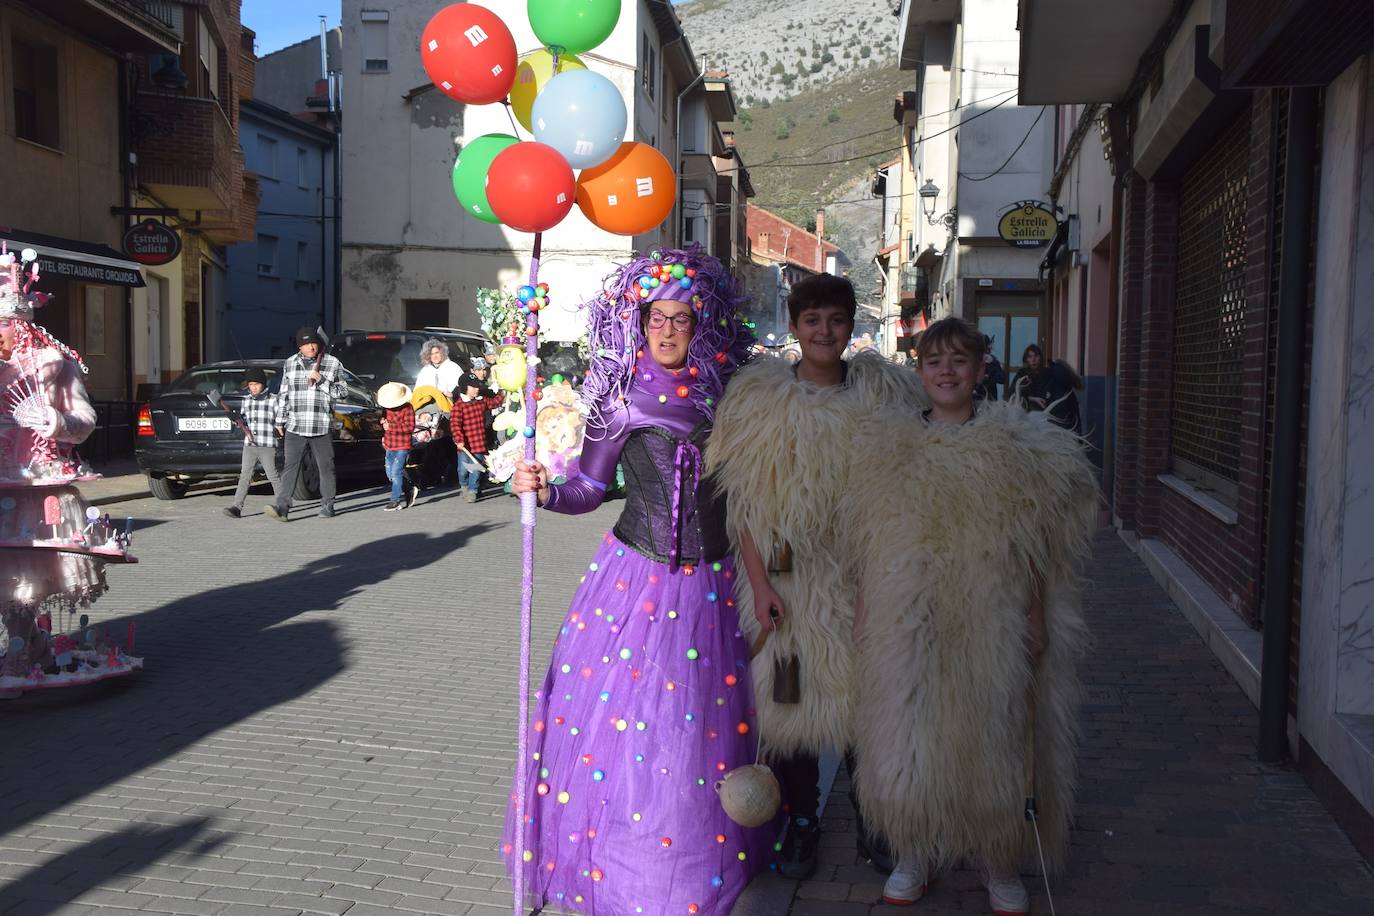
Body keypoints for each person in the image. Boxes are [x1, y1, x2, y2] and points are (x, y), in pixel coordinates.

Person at [503, 246, 769, 915]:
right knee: (631, 732)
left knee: (695, 732)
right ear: (639, 319)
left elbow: (746, 499)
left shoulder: (726, 395)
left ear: (700, 322)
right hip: (635, 582)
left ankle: (690, 856)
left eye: (682, 318)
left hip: (711, 586)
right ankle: (626, 866)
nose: (669, 329)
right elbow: (591, 488)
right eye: (658, 317)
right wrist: (542, 488)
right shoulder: (620, 399)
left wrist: (762, 581)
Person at [842, 317, 1096, 912]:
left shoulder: (1014, 448)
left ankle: (998, 859)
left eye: (960, 360)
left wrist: (1033, 613)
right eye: (935, 362)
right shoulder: (889, 447)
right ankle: (914, 849)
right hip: (909, 615)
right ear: (920, 371)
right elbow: (868, 543)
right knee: (911, 730)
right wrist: (863, 611)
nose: (947, 371)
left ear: (982, 370)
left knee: (996, 727)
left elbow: (1033, 542)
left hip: (991, 612)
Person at [705, 273, 926, 880]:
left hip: (861, 580)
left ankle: (872, 820)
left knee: (865, 705)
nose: (824, 331)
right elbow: (742, 506)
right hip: (786, 585)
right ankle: (800, 822)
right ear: (797, 328)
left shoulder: (885, 401)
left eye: (835, 320)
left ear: (850, 326)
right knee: (790, 706)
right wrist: (761, 586)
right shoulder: (762, 403)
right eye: (812, 321)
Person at [1, 245, 136, 692]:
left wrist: (54, 421)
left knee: (26, 574)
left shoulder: (52, 366)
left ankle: (27, 649)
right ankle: (29, 645)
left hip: (38, 486)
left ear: (20, 325)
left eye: (2, 328)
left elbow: (86, 420)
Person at [266, 327, 347, 521]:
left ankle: (328, 504)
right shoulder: (290, 363)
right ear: (299, 347)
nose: (310, 347)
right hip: (296, 424)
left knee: (325, 467)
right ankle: (282, 506)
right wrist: (280, 421)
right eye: (305, 344)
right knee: (290, 466)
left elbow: (343, 393)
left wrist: (322, 381)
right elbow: (284, 394)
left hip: (321, 424)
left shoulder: (332, 362)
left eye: (313, 343)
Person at [223, 368, 282, 518]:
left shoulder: (274, 400)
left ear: (263, 384)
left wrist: (279, 429)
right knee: (245, 476)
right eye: (251, 384)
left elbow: (282, 420)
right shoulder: (246, 400)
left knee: (272, 475)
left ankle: (282, 505)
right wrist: (235, 418)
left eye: (257, 384)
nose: (254, 387)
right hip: (249, 445)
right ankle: (236, 507)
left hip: (267, 444)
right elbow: (243, 422)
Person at [448, 373, 503, 503]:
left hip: (478, 442)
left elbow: (495, 403)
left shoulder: (481, 400)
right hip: (465, 445)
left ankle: (473, 489)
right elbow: (455, 425)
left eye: (477, 386)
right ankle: (464, 486)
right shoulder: (459, 406)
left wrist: (503, 393)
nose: (476, 389)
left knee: (476, 468)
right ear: (464, 388)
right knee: (463, 469)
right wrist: (459, 439)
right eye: (472, 387)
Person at [377, 381, 417, 511]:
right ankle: (409, 488)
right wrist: (381, 422)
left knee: (396, 472)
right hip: (389, 444)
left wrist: (391, 426)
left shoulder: (408, 408)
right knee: (390, 473)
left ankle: (395, 501)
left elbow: (410, 427)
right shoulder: (386, 409)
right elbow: (382, 421)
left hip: (402, 445)